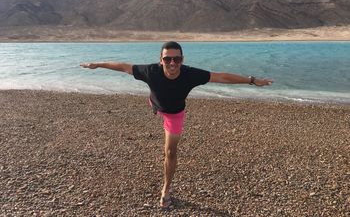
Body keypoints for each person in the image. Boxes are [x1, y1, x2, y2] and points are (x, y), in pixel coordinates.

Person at [80, 41, 273, 208]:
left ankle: (166, 189)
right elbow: (123, 67)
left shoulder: (191, 74)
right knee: (155, 103)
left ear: (182, 59)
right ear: (160, 60)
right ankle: (155, 107)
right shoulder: (150, 71)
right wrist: (97, 64)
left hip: (175, 114)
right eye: (167, 59)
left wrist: (253, 80)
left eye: (177, 59)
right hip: (156, 104)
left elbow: (221, 77)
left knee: (171, 152)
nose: (172, 63)